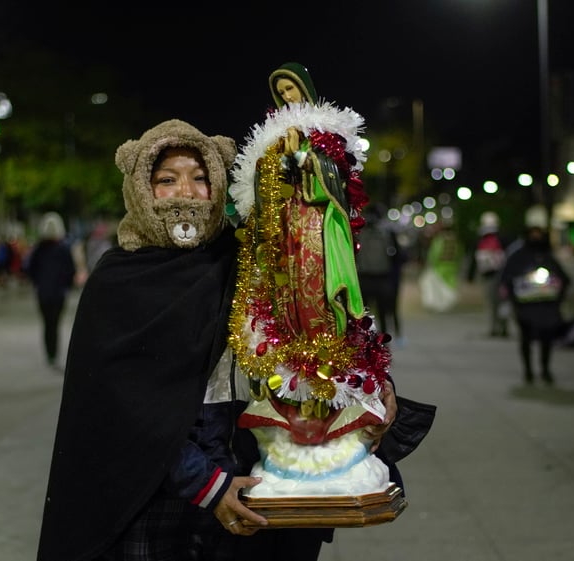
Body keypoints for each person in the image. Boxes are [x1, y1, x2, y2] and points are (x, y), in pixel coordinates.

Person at [36, 119, 269, 561]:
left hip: (240, 487)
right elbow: (121, 407)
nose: (186, 190)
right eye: (167, 179)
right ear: (140, 187)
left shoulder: (240, 262)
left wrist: (372, 388)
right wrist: (206, 483)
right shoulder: (116, 279)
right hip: (145, 497)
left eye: (201, 178)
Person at [226, 63, 399, 560]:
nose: (285, 96)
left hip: (318, 232)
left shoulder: (326, 131)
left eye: (290, 88)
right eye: (278, 90)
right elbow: (256, 197)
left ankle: (329, 422)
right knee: (287, 312)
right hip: (282, 241)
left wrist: (306, 163)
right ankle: (294, 431)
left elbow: (339, 180)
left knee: (323, 306)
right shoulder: (267, 140)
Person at [498, 206, 571, 385]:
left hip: (546, 307)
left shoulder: (547, 257)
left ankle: (545, 369)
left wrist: (556, 295)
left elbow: (564, 279)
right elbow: (507, 277)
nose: (536, 237)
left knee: (546, 339)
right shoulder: (518, 256)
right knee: (526, 339)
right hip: (525, 307)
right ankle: (528, 371)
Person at [24, 212, 77, 368]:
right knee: (54, 323)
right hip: (58, 293)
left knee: (48, 323)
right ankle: (53, 352)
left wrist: (37, 283)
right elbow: (71, 270)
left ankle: (50, 352)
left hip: (43, 292)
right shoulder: (63, 249)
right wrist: (66, 285)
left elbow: (30, 269)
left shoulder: (39, 249)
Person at [356, 202, 407, 342]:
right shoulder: (388, 233)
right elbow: (399, 256)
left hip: (363, 278)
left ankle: (363, 342)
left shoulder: (359, 232)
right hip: (382, 279)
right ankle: (383, 344)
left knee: (363, 313)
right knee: (383, 314)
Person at [470, 211, 510, 337]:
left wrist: (471, 275)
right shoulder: (503, 238)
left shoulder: (482, 239)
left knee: (494, 303)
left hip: (491, 275)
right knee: (501, 302)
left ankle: (496, 327)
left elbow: (475, 258)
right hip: (500, 275)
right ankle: (502, 327)